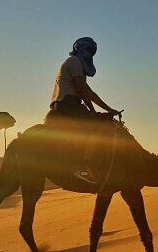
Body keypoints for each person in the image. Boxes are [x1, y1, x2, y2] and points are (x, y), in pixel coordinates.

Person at [49, 36, 120, 184]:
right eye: (88, 50)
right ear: (79, 48)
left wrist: (109, 109)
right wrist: (93, 112)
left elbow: (89, 92)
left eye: (92, 51)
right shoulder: (74, 62)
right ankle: (82, 166)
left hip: (70, 104)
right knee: (97, 127)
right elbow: (81, 90)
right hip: (68, 104)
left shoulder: (77, 65)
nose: (90, 54)